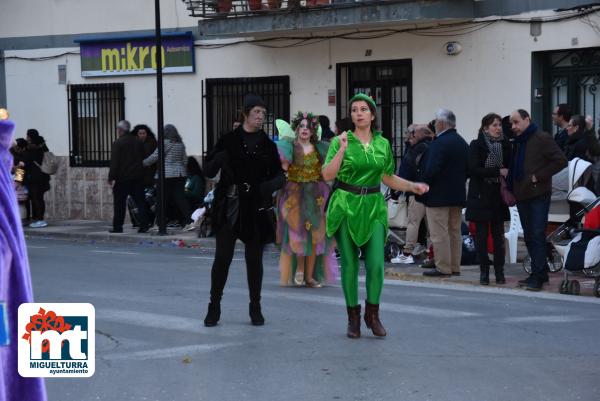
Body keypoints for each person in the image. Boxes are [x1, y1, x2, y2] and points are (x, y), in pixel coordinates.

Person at [322, 93, 428, 339]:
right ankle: (353, 318)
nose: (358, 113)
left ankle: (373, 314)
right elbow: (327, 175)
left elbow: (387, 177)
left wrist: (413, 186)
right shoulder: (341, 140)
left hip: (373, 206)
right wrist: (341, 150)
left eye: (363, 109)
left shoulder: (383, 144)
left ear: (372, 115)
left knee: (376, 265)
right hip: (346, 205)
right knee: (349, 264)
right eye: (354, 109)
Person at [203, 94, 285, 327]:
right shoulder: (228, 140)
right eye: (257, 112)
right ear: (246, 113)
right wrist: (218, 159)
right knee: (222, 258)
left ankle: (255, 306)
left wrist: (267, 187)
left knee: (254, 261)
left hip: (255, 207)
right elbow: (208, 170)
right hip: (228, 204)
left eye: (263, 113)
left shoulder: (268, 145)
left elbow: (280, 176)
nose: (261, 117)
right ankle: (214, 306)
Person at [0, 110, 48, 401]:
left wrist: (18, 179)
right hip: (35, 182)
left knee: (36, 205)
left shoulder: (24, 154)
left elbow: (20, 166)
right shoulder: (32, 151)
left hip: (33, 182)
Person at [509, 109, 567, 291]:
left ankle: (538, 276)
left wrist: (538, 177)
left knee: (536, 234)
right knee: (529, 236)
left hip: (538, 194)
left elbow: (560, 160)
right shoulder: (519, 141)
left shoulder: (542, 138)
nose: (513, 127)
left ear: (527, 120)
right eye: (512, 123)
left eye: (516, 122)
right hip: (522, 194)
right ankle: (539, 273)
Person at [275, 111, 335, 288]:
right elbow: (283, 164)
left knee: (316, 236)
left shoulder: (320, 148)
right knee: (297, 234)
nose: (305, 129)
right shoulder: (290, 147)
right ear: (296, 129)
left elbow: (329, 169)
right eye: (301, 126)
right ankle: (300, 269)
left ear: (313, 131)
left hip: (315, 196)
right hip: (294, 195)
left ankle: (310, 277)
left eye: (308, 127)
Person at [420, 109, 469, 278]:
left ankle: (443, 267)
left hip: (438, 196)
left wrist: (422, 184)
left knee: (439, 233)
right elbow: (467, 169)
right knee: (455, 232)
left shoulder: (439, 143)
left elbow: (431, 169)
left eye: (435, 121)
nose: (434, 124)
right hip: (457, 195)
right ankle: (455, 266)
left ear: (441, 123)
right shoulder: (462, 142)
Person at [465, 113, 511, 285]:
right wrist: (497, 171)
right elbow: (473, 169)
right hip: (480, 195)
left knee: (499, 237)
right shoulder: (476, 145)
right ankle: (484, 271)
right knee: (482, 237)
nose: (498, 128)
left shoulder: (506, 144)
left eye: (499, 125)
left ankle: (500, 272)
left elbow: (510, 166)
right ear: (485, 128)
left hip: (498, 195)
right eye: (494, 125)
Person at [394, 124, 434, 263]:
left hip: (417, 190)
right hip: (432, 191)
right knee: (432, 225)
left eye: (411, 133)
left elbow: (408, 169)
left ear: (418, 135)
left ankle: (407, 253)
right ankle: (432, 253)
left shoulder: (417, 149)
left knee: (413, 222)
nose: (409, 136)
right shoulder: (433, 146)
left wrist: (402, 187)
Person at [144, 124, 194, 231]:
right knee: (180, 198)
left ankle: (158, 223)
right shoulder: (180, 144)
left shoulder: (164, 143)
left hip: (166, 175)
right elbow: (185, 160)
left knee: (162, 199)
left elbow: (155, 156)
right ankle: (190, 221)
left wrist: (143, 163)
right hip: (180, 174)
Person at [108, 120, 149, 233]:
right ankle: (144, 225)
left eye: (118, 129)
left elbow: (114, 162)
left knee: (119, 204)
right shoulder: (138, 142)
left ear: (120, 130)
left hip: (123, 178)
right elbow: (143, 158)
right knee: (140, 202)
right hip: (137, 177)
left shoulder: (118, 143)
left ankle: (118, 227)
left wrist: (111, 177)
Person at [23, 129, 51, 228]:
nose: (26, 138)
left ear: (30, 137)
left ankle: (40, 219)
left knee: (35, 199)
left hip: (35, 178)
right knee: (40, 198)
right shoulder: (43, 146)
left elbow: (26, 163)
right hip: (44, 176)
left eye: (27, 136)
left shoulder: (31, 149)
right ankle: (40, 218)